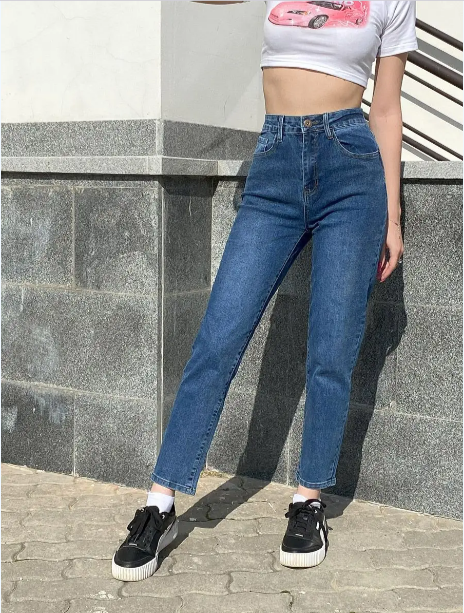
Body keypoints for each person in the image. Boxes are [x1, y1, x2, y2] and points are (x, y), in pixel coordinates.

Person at [112, 0, 418, 581]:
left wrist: (392, 216)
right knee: (217, 339)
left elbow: (386, 108)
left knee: (331, 348)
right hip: (275, 162)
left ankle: (308, 501)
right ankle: (160, 503)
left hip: (351, 167)